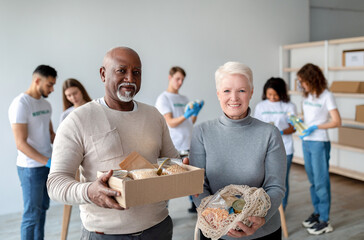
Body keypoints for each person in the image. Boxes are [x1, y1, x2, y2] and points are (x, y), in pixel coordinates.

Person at [47, 47, 181, 240]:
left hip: (158, 228)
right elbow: (55, 184)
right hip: (105, 235)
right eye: (121, 71)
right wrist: (89, 191)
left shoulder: (154, 116)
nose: (130, 78)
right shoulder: (78, 120)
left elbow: (171, 161)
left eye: (136, 72)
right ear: (103, 74)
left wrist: (183, 168)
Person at [190, 62, 286, 240]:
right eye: (227, 91)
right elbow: (198, 185)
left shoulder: (270, 133)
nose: (234, 98)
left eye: (241, 90)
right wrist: (218, 220)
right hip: (216, 231)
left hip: (263, 232)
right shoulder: (202, 132)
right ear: (218, 94)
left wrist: (260, 219)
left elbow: (275, 187)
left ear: (251, 93)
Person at [8, 65, 57, 240]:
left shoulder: (46, 104)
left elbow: (50, 134)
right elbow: (20, 144)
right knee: (31, 215)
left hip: (47, 165)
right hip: (31, 169)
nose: (52, 89)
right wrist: (47, 161)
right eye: (49, 85)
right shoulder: (21, 104)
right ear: (37, 80)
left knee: (43, 209)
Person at [297, 63, 341, 235]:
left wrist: (315, 127)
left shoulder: (326, 95)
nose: (301, 85)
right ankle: (317, 213)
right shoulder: (307, 96)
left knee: (321, 182)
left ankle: (325, 220)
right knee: (313, 181)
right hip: (306, 141)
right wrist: (299, 122)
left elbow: (337, 121)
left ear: (312, 79)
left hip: (319, 142)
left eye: (303, 81)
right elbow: (308, 117)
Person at [155, 66, 204, 213]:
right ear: (170, 78)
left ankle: (194, 205)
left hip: (188, 144)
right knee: (169, 180)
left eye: (182, 79)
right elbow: (170, 122)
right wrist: (186, 115)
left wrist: (195, 112)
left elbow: (190, 122)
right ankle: (163, 209)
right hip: (173, 145)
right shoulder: (163, 98)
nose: (180, 82)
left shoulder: (184, 99)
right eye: (177, 79)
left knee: (190, 177)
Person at [254, 77, 297, 210]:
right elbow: (255, 126)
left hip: (285, 148)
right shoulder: (261, 106)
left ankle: (281, 210)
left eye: (275, 94)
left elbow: (294, 127)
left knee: (282, 180)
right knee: (264, 180)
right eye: (269, 94)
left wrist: (280, 132)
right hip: (265, 149)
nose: (272, 97)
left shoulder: (289, 106)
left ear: (282, 93)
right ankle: (266, 208)